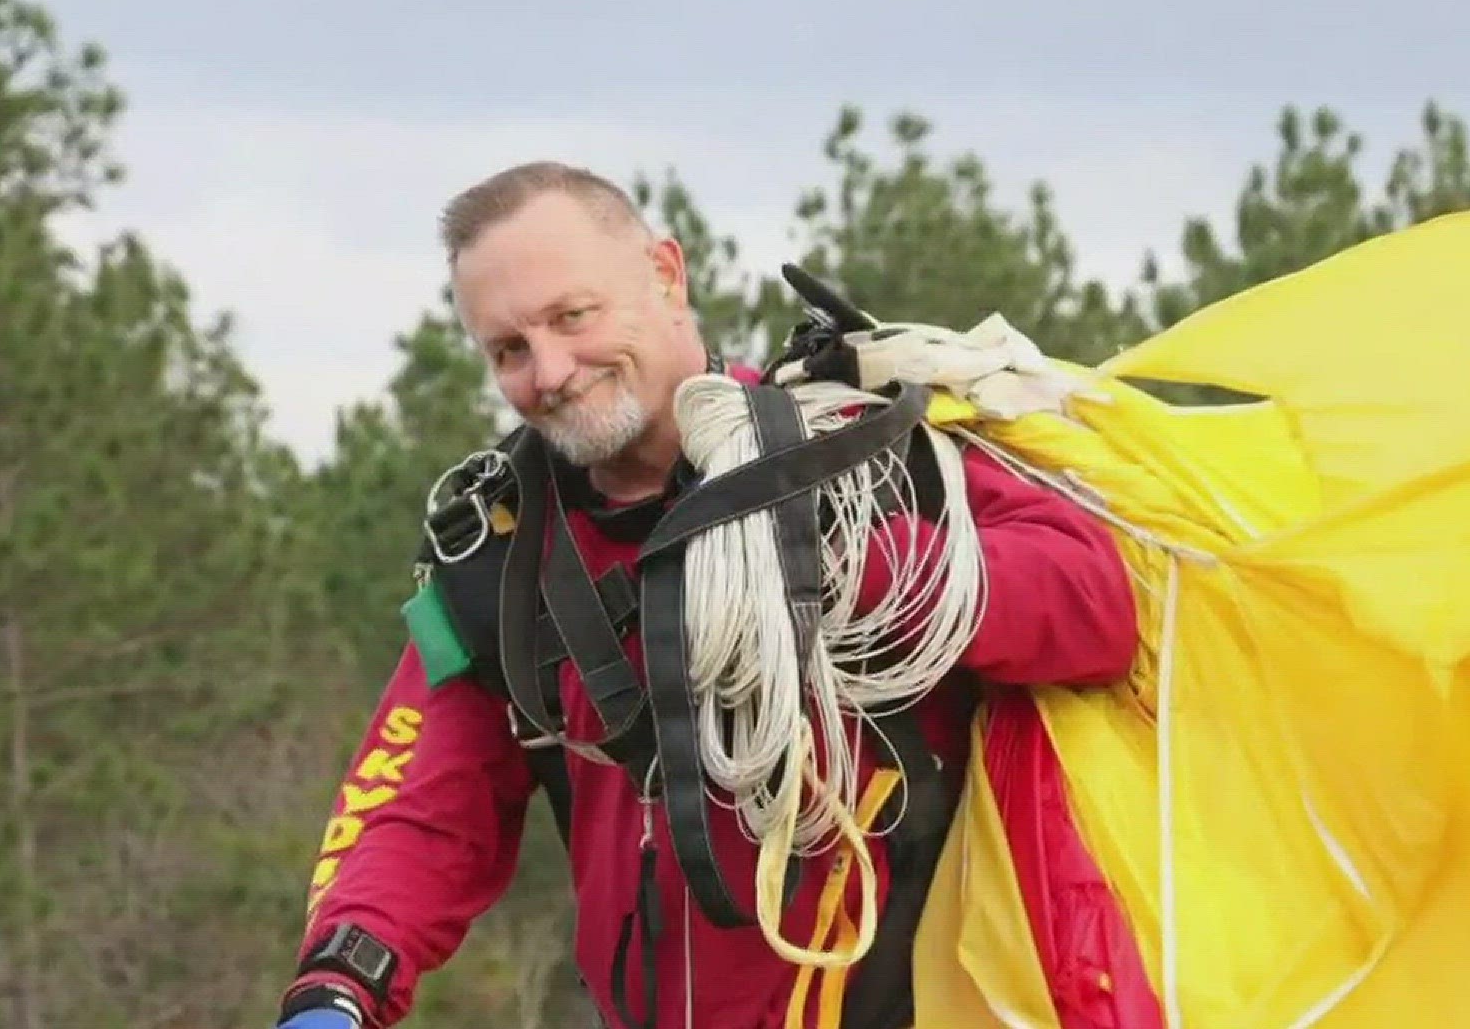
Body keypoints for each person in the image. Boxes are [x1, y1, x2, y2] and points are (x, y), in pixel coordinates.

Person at [271, 161, 1142, 1029]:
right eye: (509, 350)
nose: (551, 371)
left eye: (573, 318)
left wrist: (822, 567)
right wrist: (339, 987)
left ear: (665, 274)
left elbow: (1095, 603)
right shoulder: (505, 560)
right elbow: (419, 809)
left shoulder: (859, 457)